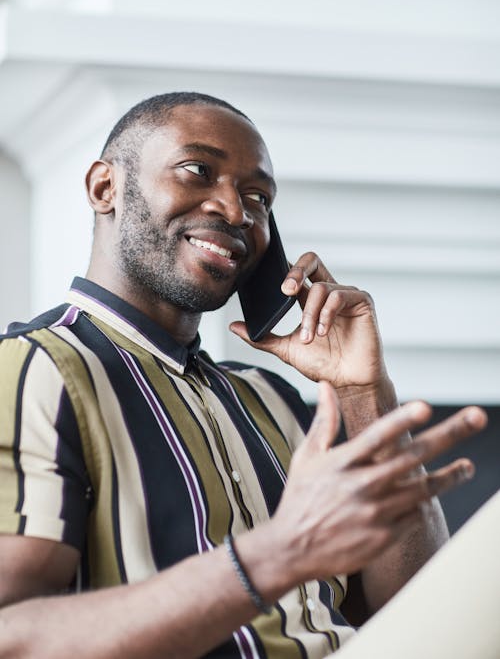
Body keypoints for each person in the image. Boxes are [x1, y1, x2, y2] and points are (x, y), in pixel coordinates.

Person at [0, 92, 488, 659]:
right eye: (197, 171)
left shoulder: (273, 400)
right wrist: (277, 553)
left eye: (258, 197)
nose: (236, 212)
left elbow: (409, 616)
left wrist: (361, 390)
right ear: (105, 188)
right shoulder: (36, 368)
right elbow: (14, 638)